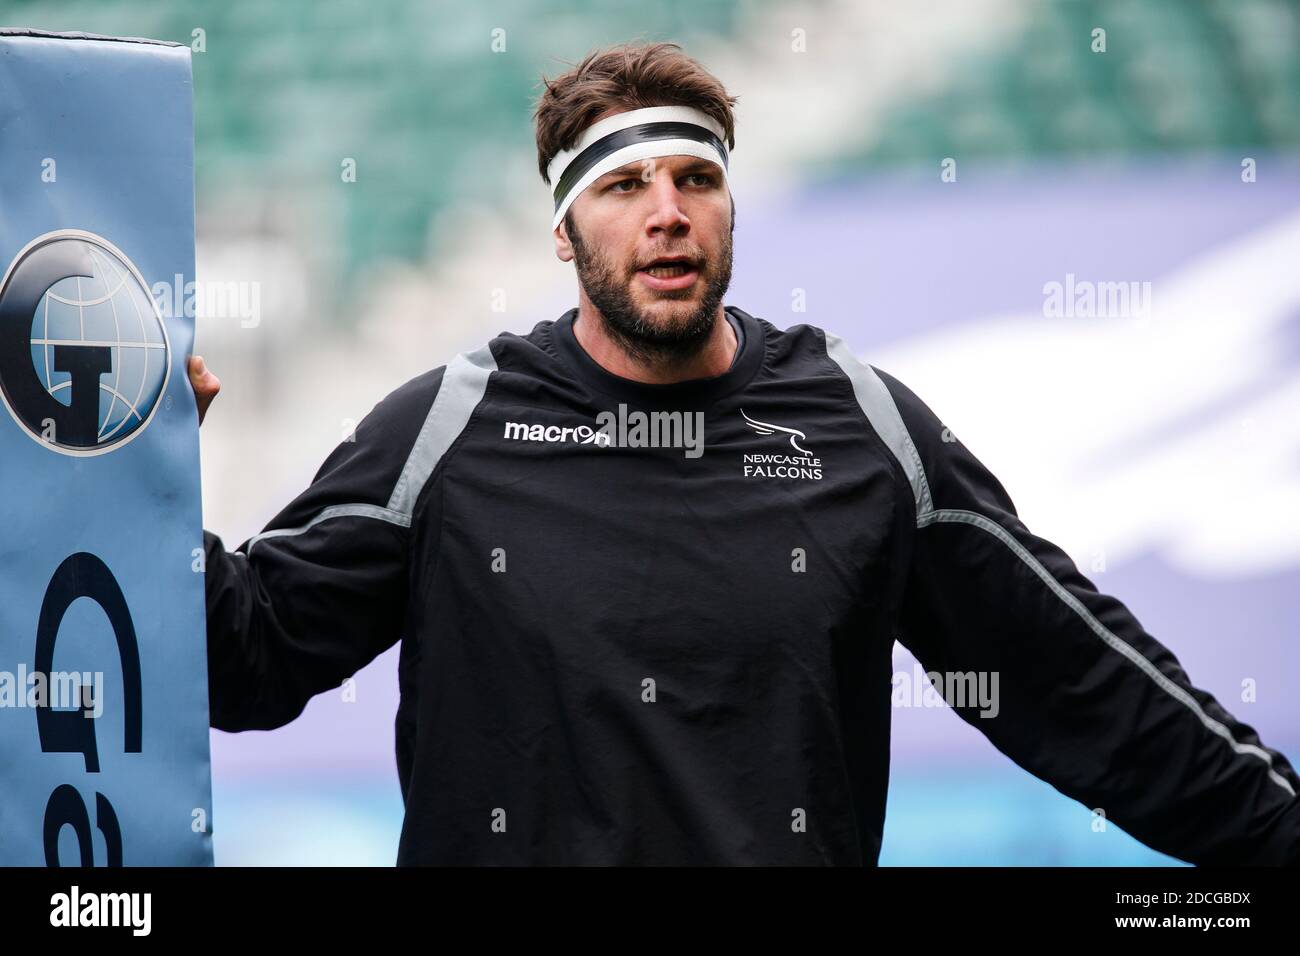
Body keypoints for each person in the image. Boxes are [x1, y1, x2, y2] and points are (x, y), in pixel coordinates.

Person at [188, 41, 1300, 865]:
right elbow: (244, 661)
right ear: (565, 232)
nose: (666, 212)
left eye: (696, 178)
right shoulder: (444, 429)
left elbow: (1089, 687)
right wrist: (131, 481)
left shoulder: (860, 426)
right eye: (623, 186)